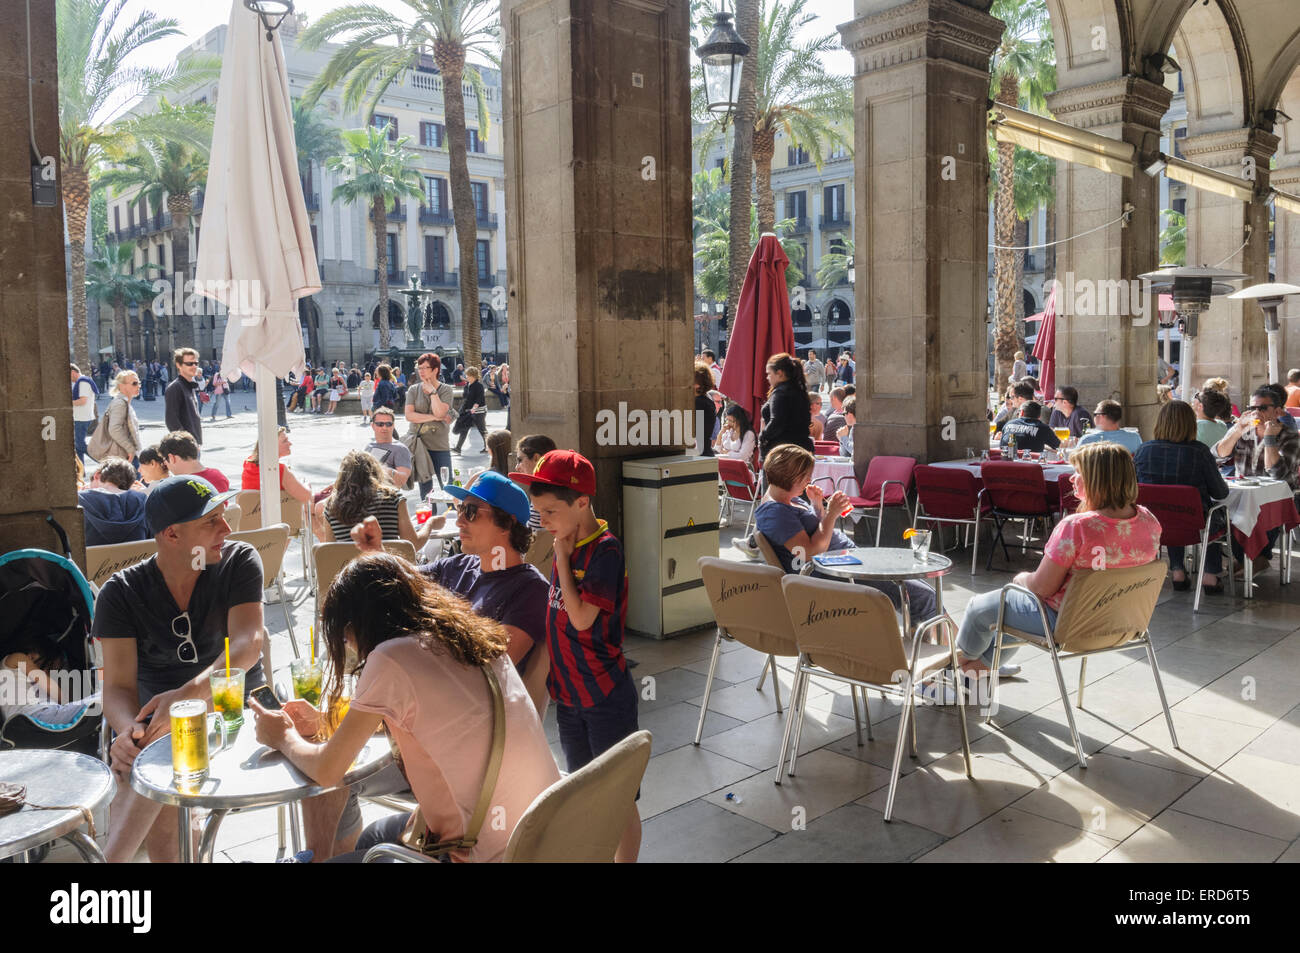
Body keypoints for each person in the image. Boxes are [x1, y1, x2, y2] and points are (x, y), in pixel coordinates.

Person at [251, 551, 559, 863]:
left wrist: (283, 736)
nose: (350, 646)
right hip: (538, 831)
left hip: (485, 852)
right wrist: (322, 721)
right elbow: (447, 726)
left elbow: (328, 771)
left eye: (345, 636)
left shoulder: (391, 657)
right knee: (373, 837)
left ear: (359, 624)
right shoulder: (467, 635)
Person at [96, 475, 263, 863]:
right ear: (172, 535)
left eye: (224, 516)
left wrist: (184, 699)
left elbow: (248, 644)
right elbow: (118, 688)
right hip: (159, 727)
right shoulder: (120, 593)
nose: (227, 528)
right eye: (211, 522)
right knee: (150, 751)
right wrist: (127, 730)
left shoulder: (237, 560)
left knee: (163, 747)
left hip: (237, 709)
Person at [509, 450, 641, 862]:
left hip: (603, 695)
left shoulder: (604, 550)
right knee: (583, 791)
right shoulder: (564, 539)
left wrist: (562, 562)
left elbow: (582, 619)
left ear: (581, 502)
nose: (542, 521)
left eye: (550, 511)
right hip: (569, 695)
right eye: (538, 512)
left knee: (617, 798)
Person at [954, 443, 1160, 677]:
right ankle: (976, 673)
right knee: (1009, 616)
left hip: (1069, 624)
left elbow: (1041, 588)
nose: (1072, 479)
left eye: (1079, 473)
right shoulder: (1149, 522)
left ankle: (954, 667)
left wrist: (1021, 579)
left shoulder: (1077, 528)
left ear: (1097, 479)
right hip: (1122, 623)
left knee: (980, 608)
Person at [753, 444, 941, 623]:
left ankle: (948, 648)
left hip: (847, 562)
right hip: (840, 572)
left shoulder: (787, 501)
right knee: (924, 597)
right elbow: (809, 552)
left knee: (920, 589)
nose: (808, 481)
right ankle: (958, 653)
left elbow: (814, 532)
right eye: (805, 476)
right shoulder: (775, 512)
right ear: (790, 476)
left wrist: (817, 506)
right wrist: (832, 513)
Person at [1134, 400, 1229, 593]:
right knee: (1209, 513)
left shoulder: (1144, 451)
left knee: (1167, 508)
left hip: (1153, 523)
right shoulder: (1200, 451)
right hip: (1195, 524)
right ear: (1191, 424)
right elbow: (1220, 492)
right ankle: (1210, 574)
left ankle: (1177, 569)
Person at [1213, 384, 1300, 569]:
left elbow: (1277, 473)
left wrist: (1269, 438)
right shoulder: (1243, 431)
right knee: (1228, 510)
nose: (1256, 412)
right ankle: (1249, 559)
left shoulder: (1289, 436)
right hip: (1243, 492)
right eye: (1252, 408)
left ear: (1277, 411)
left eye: (1262, 408)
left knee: (1256, 511)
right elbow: (1218, 454)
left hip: (1276, 497)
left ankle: (1254, 558)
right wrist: (1237, 431)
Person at [313, 451, 427, 546]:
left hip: (350, 571)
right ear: (376, 471)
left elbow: (331, 550)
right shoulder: (393, 497)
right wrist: (430, 525)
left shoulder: (331, 506)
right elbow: (413, 544)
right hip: (389, 570)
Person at [406, 353, 456, 498]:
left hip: (439, 445)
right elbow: (409, 416)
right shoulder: (413, 390)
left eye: (425, 367)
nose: (421, 371)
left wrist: (433, 392)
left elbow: (440, 411)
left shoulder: (446, 390)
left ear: (435, 370)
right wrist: (435, 417)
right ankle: (429, 518)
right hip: (420, 444)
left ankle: (452, 516)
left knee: (448, 485)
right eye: (419, 367)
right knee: (426, 489)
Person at [79, 457, 149, 546]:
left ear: (97, 475)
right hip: (136, 558)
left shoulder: (81, 499)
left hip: (93, 558)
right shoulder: (142, 499)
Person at [241, 426, 314, 508]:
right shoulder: (278, 470)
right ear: (272, 446)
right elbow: (305, 496)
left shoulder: (248, 462)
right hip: (277, 516)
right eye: (285, 441)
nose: (290, 443)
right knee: (313, 505)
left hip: (250, 514)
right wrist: (307, 485)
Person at [759, 353, 814, 461]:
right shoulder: (800, 391)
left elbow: (777, 421)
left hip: (781, 453)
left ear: (779, 373)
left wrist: (763, 436)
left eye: (769, 374)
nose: (767, 377)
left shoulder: (781, 393)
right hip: (801, 450)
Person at [158, 430, 230, 492]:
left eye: (164, 460)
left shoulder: (177, 487)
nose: (165, 464)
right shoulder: (218, 476)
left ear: (171, 458)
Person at [515, 434, 557, 530]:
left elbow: (536, 538)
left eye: (520, 460)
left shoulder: (543, 492)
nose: (517, 467)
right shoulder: (557, 485)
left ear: (536, 458)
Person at [101, 370, 143, 465]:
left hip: (128, 455)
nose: (138, 386)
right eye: (134, 383)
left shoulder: (124, 403)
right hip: (126, 456)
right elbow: (114, 429)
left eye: (139, 383)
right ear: (121, 386)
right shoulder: (120, 404)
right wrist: (130, 449)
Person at [365, 407, 413, 487]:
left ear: (393, 426)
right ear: (373, 426)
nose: (384, 427)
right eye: (380, 424)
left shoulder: (400, 449)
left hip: (386, 496)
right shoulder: (369, 446)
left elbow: (402, 481)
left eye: (388, 424)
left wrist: (383, 470)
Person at [164, 348, 203, 446]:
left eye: (196, 363)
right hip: (186, 448)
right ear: (179, 365)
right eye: (190, 363)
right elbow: (171, 421)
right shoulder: (175, 387)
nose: (194, 366)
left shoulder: (190, 385)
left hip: (194, 444)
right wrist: (187, 443)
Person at [1075, 400, 1140, 453]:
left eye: (1095, 414)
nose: (1094, 417)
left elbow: (1074, 463)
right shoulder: (1135, 438)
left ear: (1102, 416)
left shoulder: (1087, 440)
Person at [453, 366, 490, 454]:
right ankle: (458, 448)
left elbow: (480, 398)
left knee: (482, 430)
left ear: (473, 376)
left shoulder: (479, 386)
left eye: (468, 375)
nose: (466, 377)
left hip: (479, 412)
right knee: (464, 429)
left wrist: (474, 408)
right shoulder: (467, 385)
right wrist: (463, 410)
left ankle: (488, 447)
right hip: (469, 412)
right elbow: (466, 398)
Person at [71, 363, 98, 465]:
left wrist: (67, 403)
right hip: (81, 417)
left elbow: (82, 401)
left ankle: (102, 461)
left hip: (82, 417)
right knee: (78, 446)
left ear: (73, 372)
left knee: (80, 445)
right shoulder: (82, 381)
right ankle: (81, 471)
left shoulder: (83, 382)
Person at [693, 363, 717, 456]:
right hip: (704, 452)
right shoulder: (706, 399)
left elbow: (698, 434)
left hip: (701, 455)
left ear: (697, 384)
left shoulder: (699, 402)